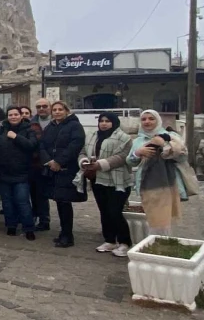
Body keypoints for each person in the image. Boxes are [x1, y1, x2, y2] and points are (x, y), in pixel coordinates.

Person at [79, 113, 134, 257]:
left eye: (107, 121)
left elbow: (122, 157)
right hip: (98, 179)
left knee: (115, 211)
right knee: (104, 211)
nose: (104, 124)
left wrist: (100, 164)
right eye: (101, 121)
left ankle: (125, 242)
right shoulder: (92, 136)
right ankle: (109, 240)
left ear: (114, 123)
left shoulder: (124, 138)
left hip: (118, 181)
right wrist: (84, 162)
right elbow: (83, 151)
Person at [127, 110, 187, 238]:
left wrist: (164, 144)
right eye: (144, 119)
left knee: (162, 219)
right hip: (147, 185)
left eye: (151, 118)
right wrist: (138, 153)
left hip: (167, 183)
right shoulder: (138, 140)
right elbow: (130, 162)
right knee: (153, 218)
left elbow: (182, 157)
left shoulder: (171, 136)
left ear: (158, 120)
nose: (147, 121)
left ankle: (160, 243)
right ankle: (158, 242)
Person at [0, 106, 37, 240]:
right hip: (3, 172)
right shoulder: (1, 129)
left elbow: (32, 145)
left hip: (21, 173)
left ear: (21, 116)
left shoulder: (29, 129)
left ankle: (28, 228)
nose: (13, 117)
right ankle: (11, 226)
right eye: (10, 115)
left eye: (16, 114)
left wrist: (16, 137)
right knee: (7, 202)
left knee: (22, 201)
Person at [39, 101, 86, 248]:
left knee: (65, 202)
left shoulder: (75, 126)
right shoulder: (50, 127)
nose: (57, 112)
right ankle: (63, 233)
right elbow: (42, 145)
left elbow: (75, 145)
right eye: (55, 110)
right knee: (59, 201)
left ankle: (67, 235)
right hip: (53, 169)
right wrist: (49, 161)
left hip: (66, 169)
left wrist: (59, 161)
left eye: (60, 109)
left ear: (66, 111)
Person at [30, 99, 52, 230]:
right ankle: (42, 220)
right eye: (39, 107)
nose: (41, 109)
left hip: (55, 162)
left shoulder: (56, 122)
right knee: (37, 194)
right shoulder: (32, 123)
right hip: (36, 164)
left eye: (44, 106)